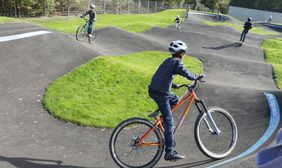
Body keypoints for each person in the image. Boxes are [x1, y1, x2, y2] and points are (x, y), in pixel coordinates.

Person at [148, 40, 203, 161]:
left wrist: (173, 85)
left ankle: (161, 116)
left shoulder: (168, 61)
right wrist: (196, 76)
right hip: (161, 93)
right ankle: (169, 152)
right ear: (181, 53)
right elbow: (186, 73)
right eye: (184, 53)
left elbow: (161, 76)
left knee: (175, 99)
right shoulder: (177, 62)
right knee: (170, 123)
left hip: (154, 89)